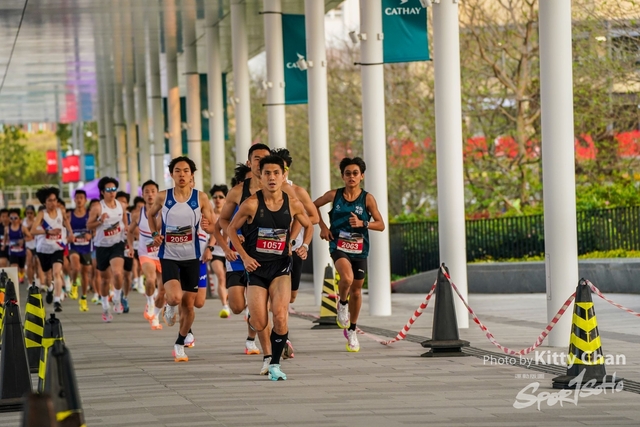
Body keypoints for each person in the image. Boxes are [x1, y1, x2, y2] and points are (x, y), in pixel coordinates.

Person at [228, 155, 313, 381]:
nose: (272, 177)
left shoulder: (292, 203)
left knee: (280, 315)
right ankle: (267, 348)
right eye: (267, 173)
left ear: (284, 176)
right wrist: (245, 257)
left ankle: (274, 363)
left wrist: (302, 245)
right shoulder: (251, 204)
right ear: (261, 176)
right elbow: (231, 229)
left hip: (280, 268)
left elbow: (309, 225)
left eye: (277, 173)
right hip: (256, 269)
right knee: (259, 321)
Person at [207, 147, 274, 374]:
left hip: (263, 258)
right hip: (237, 258)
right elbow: (220, 225)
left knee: (263, 307)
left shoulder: (276, 190)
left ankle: (265, 351)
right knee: (237, 306)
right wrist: (229, 245)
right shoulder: (237, 194)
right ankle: (251, 317)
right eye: (257, 160)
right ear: (249, 163)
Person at [146, 156, 215, 362]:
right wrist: (154, 234)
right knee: (175, 298)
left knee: (190, 305)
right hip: (168, 255)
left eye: (186, 171)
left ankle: (180, 342)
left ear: (192, 175)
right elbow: (150, 215)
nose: (182, 174)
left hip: (192, 257)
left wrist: (207, 226)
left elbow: (213, 225)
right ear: (172, 174)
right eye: (178, 171)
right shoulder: (163, 196)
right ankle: (170, 305)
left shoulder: (200, 198)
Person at [314, 157, 385, 353]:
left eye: (355, 173)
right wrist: (322, 227)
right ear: (342, 176)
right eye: (348, 173)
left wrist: (363, 223)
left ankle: (352, 330)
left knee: (357, 291)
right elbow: (311, 206)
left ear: (362, 176)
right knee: (346, 278)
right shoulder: (334, 195)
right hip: (338, 244)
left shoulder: (367, 199)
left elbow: (381, 225)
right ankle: (342, 304)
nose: (351, 177)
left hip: (360, 248)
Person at [87, 177, 129, 322]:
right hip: (102, 246)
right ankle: (105, 307)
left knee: (117, 273)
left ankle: (116, 298)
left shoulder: (121, 205)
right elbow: (89, 225)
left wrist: (126, 231)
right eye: (108, 190)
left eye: (114, 189)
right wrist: (100, 220)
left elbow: (125, 221)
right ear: (102, 192)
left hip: (117, 244)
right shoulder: (97, 208)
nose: (112, 192)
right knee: (105, 280)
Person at [30, 187, 75, 313]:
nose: (53, 203)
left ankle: (57, 301)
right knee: (48, 276)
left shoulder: (61, 211)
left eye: (55, 200)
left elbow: (66, 221)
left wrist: (71, 233)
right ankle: (50, 289)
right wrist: (47, 231)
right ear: (44, 202)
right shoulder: (42, 214)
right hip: (43, 249)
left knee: (56, 273)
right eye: (50, 200)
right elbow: (33, 231)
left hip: (57, 247)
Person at [128, 180, 164, 330]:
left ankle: (155, 317)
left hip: (163, 254)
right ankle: (150, 302)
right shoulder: (137, 214)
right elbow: (129, 231)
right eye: (147, 192)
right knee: (150, 279)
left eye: (153, 191)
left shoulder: (165, 211)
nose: (150, 194)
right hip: (146, 253)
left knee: (163, 290)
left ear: (158, 194)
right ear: (142, 194)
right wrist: (130, 247)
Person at [68, 190, 92, 312]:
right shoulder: (69, 215)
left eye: (81, 198)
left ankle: (83, 298)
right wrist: (68, 236)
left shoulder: (90, 214)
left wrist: (90, 235)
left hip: (86, 247)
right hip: (74, 246)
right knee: (76, 267)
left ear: (85, 200)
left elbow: (96, 228)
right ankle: (73, 285)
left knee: (85, 273)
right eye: (77, 197)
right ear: (74, 199)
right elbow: (62, 227)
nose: (79, 200)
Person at [209, 184, 230, 318]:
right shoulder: (208, 214)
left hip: (229, 252)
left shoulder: (230, 214)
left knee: (229, 280)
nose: (217, 199)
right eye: (215, 197)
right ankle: (225, 306)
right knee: (221, 277)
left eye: (221, 197)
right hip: (215, 252)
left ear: (225, 199)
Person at [116, 191, 133, 313]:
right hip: (115, 248)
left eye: (124, 202)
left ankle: (125, 297)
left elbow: (136, 233)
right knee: (117, 273)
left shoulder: (131, 217)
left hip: (128, 248)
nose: (122, 204)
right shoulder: (112, 216)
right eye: (119, 201)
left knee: (127, 275)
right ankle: (116, 294)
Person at [5, 208, 32, 283]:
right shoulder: (7, 228)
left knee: (21, 268)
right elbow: (5, 238)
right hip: (12, 252)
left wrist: (23, 240)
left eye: (15, 218)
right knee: (14, 266)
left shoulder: (23, 228)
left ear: (19, 218)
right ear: (9, 219)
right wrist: (4, 246)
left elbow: (30, 236)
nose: (13, 220)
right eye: (11, 218)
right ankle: (14, 281)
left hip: (21, 252)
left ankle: (21, 275)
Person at [22, 205, 37, 285]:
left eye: (31, 213)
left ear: (34, 213)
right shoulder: (23, 221)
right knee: (29, 263)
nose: (29, 215)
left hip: (37, 245)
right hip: (28, 245)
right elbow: (24, 233)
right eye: (27, 213)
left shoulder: (37, 220)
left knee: (36, 263)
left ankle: (37, 279)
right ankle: (30, 282)